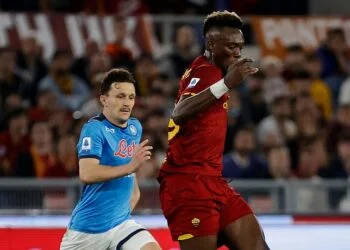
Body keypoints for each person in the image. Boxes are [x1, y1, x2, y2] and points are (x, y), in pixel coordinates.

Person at [157, 11, 270, 250]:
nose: (237, 53)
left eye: (240, 47)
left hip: (214, 182)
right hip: (188, 184)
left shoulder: (214, 72)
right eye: (230, 46)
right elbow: (179, 111)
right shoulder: (205, 71)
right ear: (210, 44)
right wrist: (227, 83)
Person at [60, 68, 160, 250]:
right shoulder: (93, 129)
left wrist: (128, 201)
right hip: (87, 231)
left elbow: (130, 174)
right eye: (120, 96)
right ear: (104, 100)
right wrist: (130, 167)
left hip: (121, 224)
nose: (127, 103)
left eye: (131, 97)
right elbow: (87, 173)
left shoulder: (135, 128)